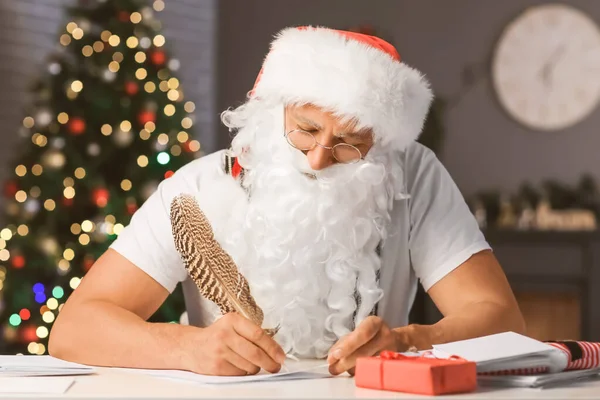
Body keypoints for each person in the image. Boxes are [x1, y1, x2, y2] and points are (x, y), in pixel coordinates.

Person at [49, 26, 525, 377]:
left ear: (382, 142)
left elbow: (502, 319)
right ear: (271, 107)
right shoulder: (196, 189)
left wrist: (410, 343)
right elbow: (74, 329)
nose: (319, 159)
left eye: (350, 142)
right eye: (306, 129)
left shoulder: (413, 175)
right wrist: (183, 347)